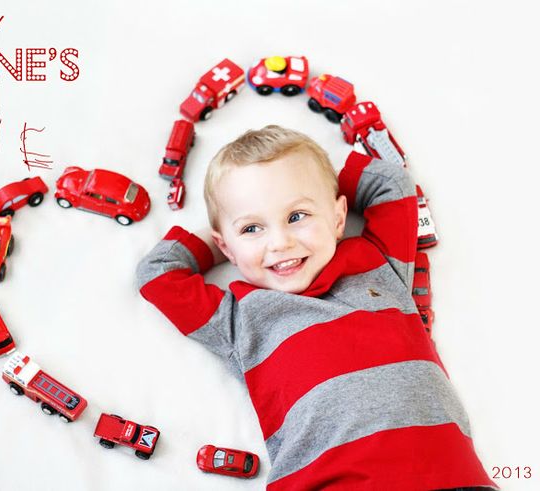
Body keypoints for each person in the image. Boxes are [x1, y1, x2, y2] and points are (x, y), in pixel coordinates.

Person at [136, 126, 495, 490]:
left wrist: (311, 176)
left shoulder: (377, 262)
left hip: (451, 478)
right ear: (226, 248)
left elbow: (391, 182)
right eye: (253, 229)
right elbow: (157, 273)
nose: (280, 242)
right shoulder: (239, 318)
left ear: (339, 218)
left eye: (297, 216)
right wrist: (227, 239)